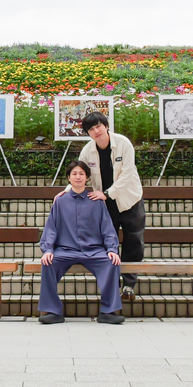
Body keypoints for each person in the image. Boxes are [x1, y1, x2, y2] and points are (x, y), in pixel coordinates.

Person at [58, 111, 146, 300]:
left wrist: (107, 194)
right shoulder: (87, 150)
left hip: (130, 200)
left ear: (106, 126)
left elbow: (127, 174)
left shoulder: (123, 144)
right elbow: (79, 173)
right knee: (108, 244)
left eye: (99, 126)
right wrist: (66, 191)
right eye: (91, 129)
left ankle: (129, 285)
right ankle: (112, 286)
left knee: (134, 242)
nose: (96, 131)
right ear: (88, 133)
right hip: (104, 206)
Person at [38, 160, 124, 325]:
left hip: (94, 250)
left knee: (111, 262)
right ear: (69, 178)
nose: (78, 177)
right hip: (65, 250)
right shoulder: (60, 202)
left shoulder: (97, 201)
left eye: (81, 174)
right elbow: (51, 228)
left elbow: (107, 228)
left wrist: (112, 249)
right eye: (74, 174)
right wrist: (48, 250)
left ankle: (108, 311)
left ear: (87, 178)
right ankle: (53, 311)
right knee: (48, 263)